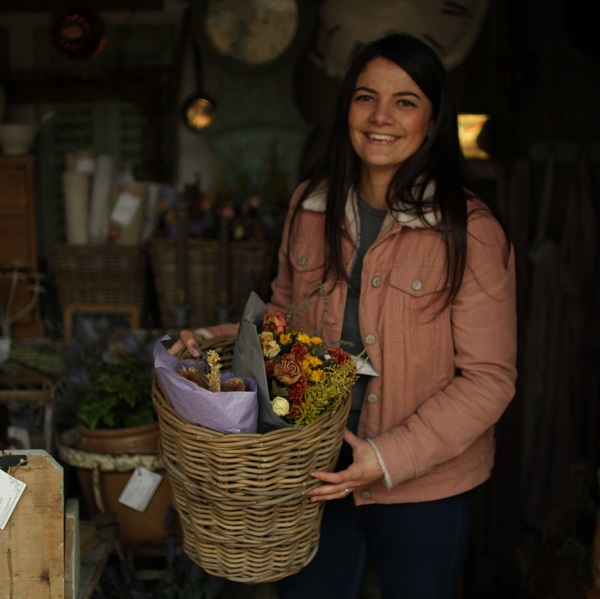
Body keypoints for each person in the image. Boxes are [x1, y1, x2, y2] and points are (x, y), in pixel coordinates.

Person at [172, 31, 517, 599]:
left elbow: (490, 379)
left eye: (405, 101)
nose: (381, 117)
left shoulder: (470, 232)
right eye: (365, 97)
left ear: (432, 120)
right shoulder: (311, 205)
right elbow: (288, 318)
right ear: (347, 108)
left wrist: (386, 457)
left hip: (426, 485)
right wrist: (226, 338)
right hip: (313, 467)